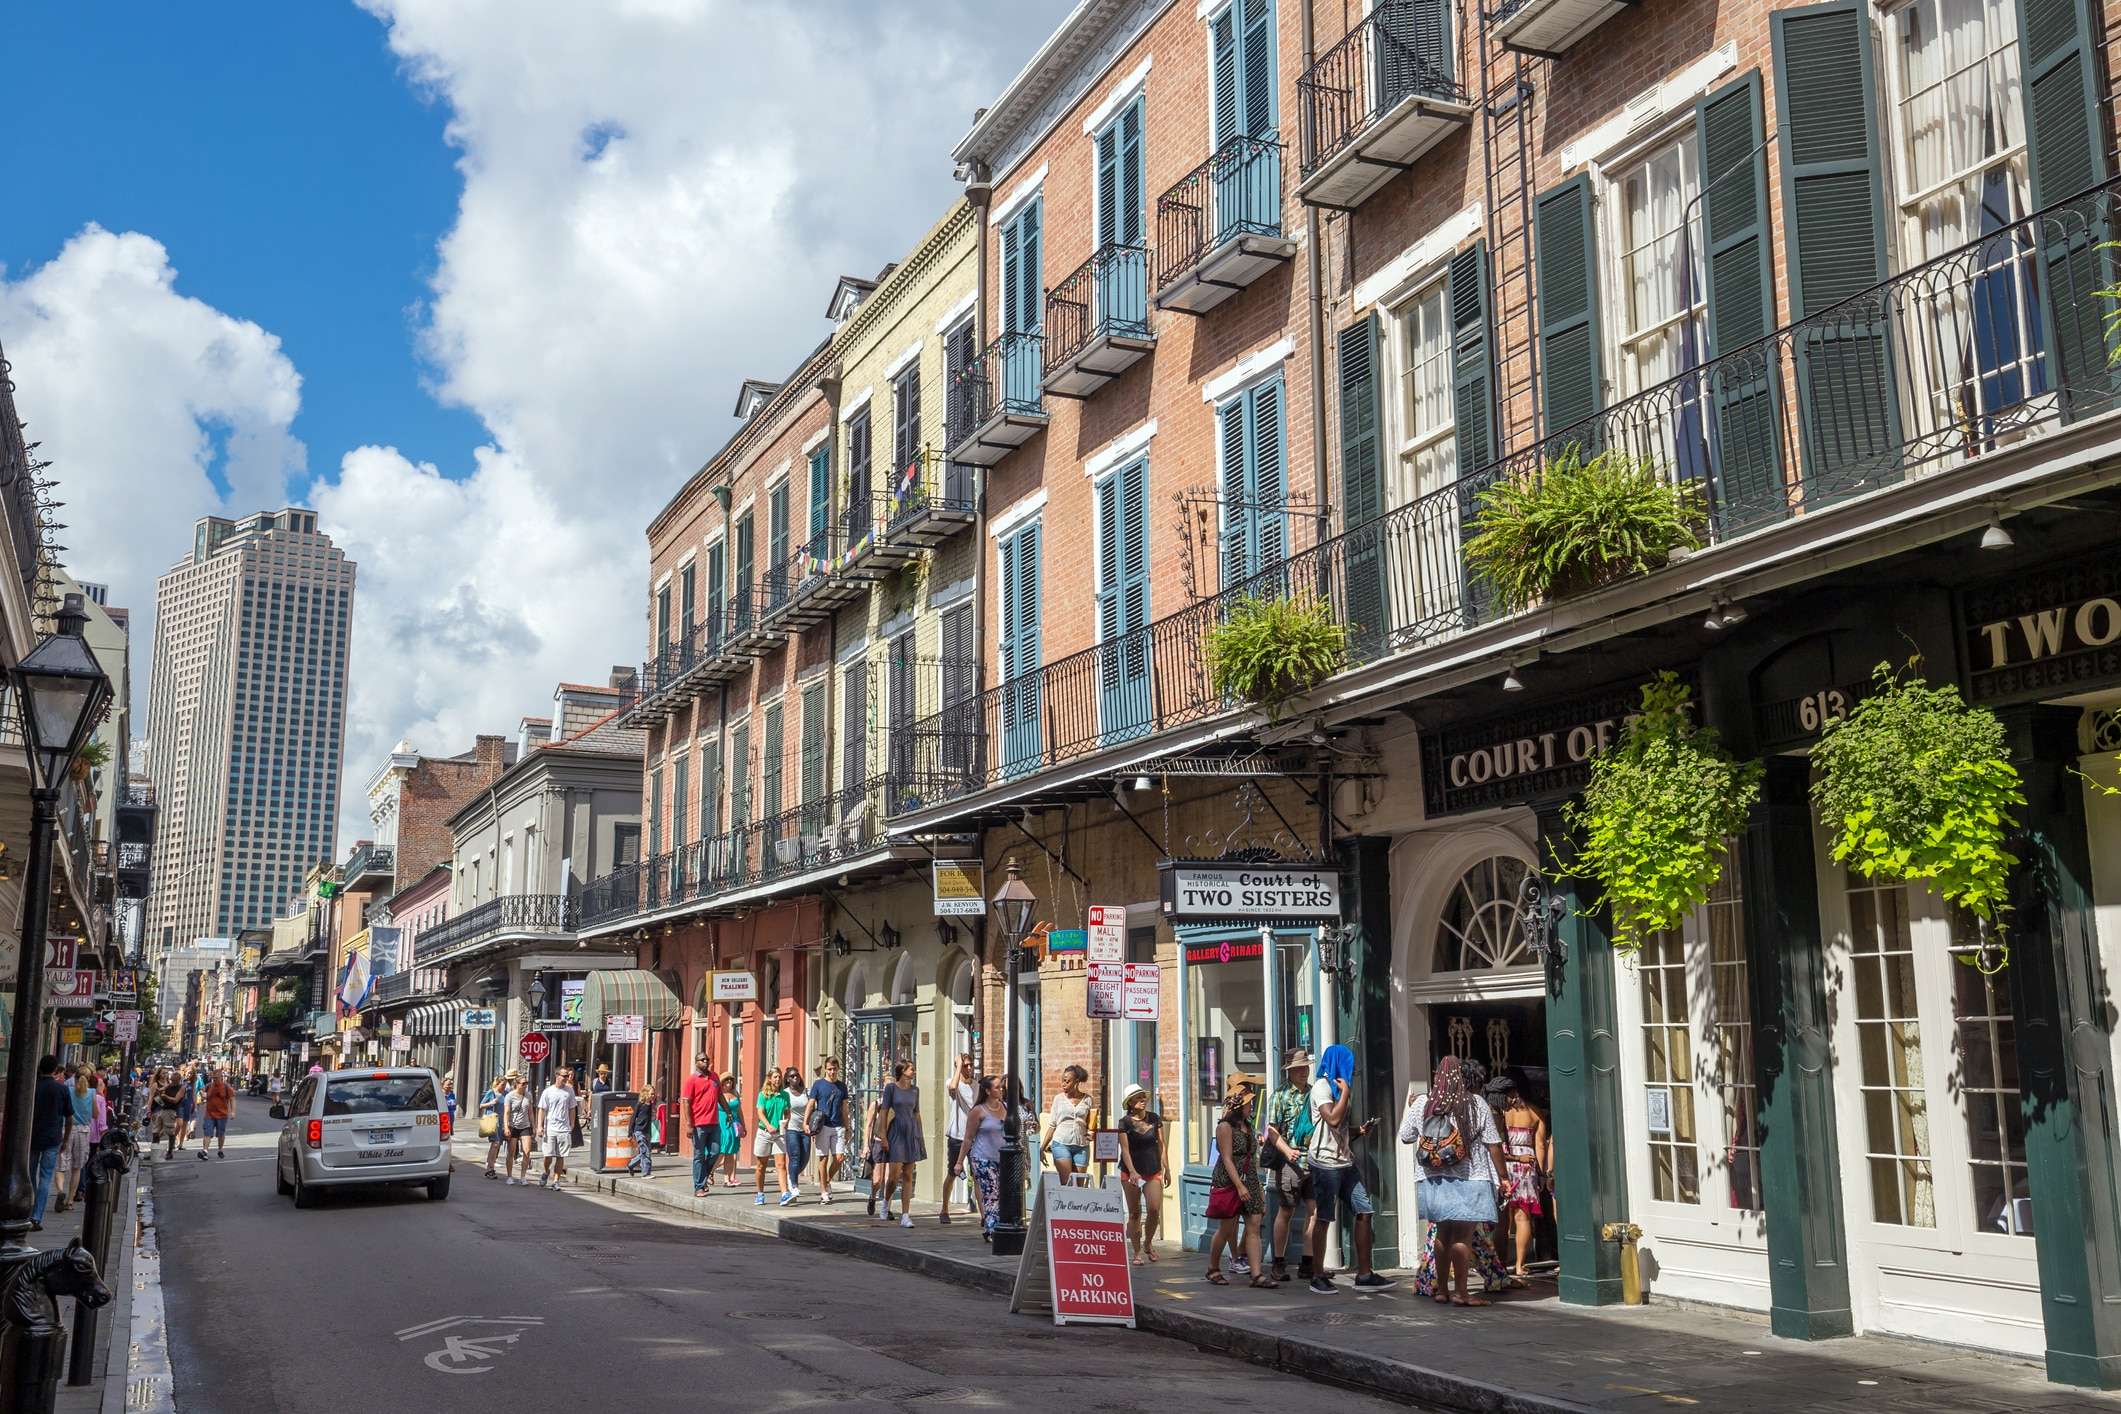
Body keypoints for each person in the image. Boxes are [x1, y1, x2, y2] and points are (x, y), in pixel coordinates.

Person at [1403, 1055, 1509, 1308]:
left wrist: (1416, 1110)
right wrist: (1503, 1176)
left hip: (1433, 1179)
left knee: (1442, 1234)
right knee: (1463, 1235)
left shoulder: (1422, 1104)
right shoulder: (1475, 1103)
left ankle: (1442, 1290)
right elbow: (1493, 1144)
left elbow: (1406, 1136)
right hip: (1471, 1178)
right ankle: (1462, 1293)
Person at [1305, 1043, 1396, 1293]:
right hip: (1324, 1163)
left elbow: (1339, 1128)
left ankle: (1364, 1275)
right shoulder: (1322, 1088)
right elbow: (1332, 1118)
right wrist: (1345, 1094)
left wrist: (1358, 1130)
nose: (1352, 1070)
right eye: (1349, 1065)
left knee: (1364, 1210)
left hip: (1345, 1162)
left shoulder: (1340, 1086)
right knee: (1323, 1218)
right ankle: (1317, 1275)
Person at [1205, 1073, 1273, 1288]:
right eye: (1248, 1103)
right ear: (1237, 1106)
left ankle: (1256, 1274)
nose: (1251, 1106)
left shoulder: (1248, 1126)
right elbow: (1226, 1158)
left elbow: (1251, 1158)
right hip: (1229, 1181)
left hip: (1249, 1178)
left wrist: (1257, 1188)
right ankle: (1213, 1268)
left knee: (1254, 1225)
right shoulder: (1225, 1127)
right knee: (1226, 1228)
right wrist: (1239, 1186)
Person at [1263, 1048, 1315, 1283]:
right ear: (1290, 1071)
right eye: (1299, 1069)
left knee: (1314, 1211)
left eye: (1305, 1067)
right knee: (1286, 1210)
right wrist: (1287, 1151)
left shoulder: (1314, 1094)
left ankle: (1308, 1262)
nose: (1303, 1072)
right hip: (1289, 1163)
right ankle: (1279, 1261)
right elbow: (1272, 1130)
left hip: (1313, 1160)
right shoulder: (1280, 1095)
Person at [1496, 1073, 1548, 1288]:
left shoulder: (1501, 1113)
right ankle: (1519, 1264)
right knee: (1522, 1217)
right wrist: (1543, 1173)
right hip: (1527, 1167)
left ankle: (1499, 1263)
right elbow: (1541, 1145)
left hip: (1505, 1165)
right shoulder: (1535, 1114)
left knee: (1503, 1217)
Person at [1116, 1083, 1167, 1264]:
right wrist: (1132, 1171)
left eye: (1143, 1097)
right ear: (1130, 1102)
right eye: (1138, 1098)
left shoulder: (1154, 1118)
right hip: (1130, 1172)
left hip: (1153, 1170)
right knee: (1134, 1213)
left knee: (1154, 1209)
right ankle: (1137, 1252)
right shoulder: (1125, 1122)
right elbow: (1125, 1150)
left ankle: (1148, 1243)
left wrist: (1165, 1167)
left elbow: (1161, 1144)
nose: (1142, 1100)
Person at [879, 1059, 924, 1228]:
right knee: (893, 1175)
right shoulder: (891, 1088)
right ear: (902, 1071)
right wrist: (883, 1135)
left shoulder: (915, 1090)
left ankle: (905, 1214)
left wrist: (919, 1134)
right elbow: (884, 1111)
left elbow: (917, 1113)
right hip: (896, 1132)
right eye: (911, 1069)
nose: (914, 1072)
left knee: (908, 1174)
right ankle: (885, 1201)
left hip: (911, 1132)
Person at [31, 1056, 72, 1231]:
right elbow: (69, 1117)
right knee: (46, 1177)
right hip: (52, 1138)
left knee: (30, 1174)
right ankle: (36, 1216)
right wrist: (65, 1139)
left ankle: (27, 1209)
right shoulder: (61, 1089)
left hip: (32, 1136)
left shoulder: (32, 1087)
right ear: (56, 1070)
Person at [963, 1075, 1007, 1240]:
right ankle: (992, 1228)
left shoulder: (1006, 1107)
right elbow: (968, 1138)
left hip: (1002, 1158)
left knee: (1001, 1193)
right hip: (982, 1158)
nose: (1001, 1089)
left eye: (1001, 1087)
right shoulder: (978, 1111)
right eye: (997, 1087)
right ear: (987, 1091)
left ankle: (993, 1227)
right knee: (991, 1192)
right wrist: (960, 1162)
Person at [1039, 1064, 1093, 1187]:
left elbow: (1091, 1124)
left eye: (1067, 1081)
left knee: (1079, 1186)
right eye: (1063, 1081)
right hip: (1061, 1143)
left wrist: (1091, 1132)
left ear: (1076, 1082)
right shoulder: (1058, 1099)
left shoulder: (1088, 1100)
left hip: (1082, 1145)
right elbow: (1052, 1125)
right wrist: (1042, 1147)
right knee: (1067, 1183)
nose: (1064, 1084)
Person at [940, 1052, 976, 1225]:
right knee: (952, 1173)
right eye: (966, 1065)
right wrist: (958, 1066)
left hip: (975, 1137)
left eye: (971, 1064)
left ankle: (983, 1214)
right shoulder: (952, 1082)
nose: (969, 1068)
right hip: (957, 1135)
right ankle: (944, 1209)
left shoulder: (977, 1085)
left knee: (976, 1174)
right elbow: (953, 1088)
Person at [807, 1058, 849, 1202]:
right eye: (830, 1069)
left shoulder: (842, 1087)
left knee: (839, 1158)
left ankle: (827, 1181)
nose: (832, 1072)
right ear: (826, 1069)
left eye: (835, 1069)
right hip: (822, 1125)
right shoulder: (818, 1085)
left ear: (838, 1069)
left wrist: (847, 1126)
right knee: (823, 1159)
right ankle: (823, 1190)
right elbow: (811, 1104)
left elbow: (845, 1108)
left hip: (838, 1126)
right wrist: (806, 1124)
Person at [681, 1056, 723, 1198]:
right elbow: (686, 1102)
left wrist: (728, 1112)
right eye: (702, 1060)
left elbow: (720, 1096)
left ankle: (703, 1177)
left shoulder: (714, 1077)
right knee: (699, 1156)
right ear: (696, 1062)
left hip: (714, 1122)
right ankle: (699, 1186)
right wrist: (689, 1125)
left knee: (715, 1152)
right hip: (698, 1124)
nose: (705, 1062)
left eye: (707, 1059)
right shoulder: (691, 1080)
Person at [752, 1072, 790, 1206]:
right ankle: (760, 1193)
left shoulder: (785, 1095)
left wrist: (786, 1121)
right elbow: (760, 1113)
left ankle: (785, 1193)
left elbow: (787, 1112)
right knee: (761, 1165)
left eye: (779, 1077)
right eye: (775, 1077)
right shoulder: (763, 1095)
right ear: (769, 1079)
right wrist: (768, 1126)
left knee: (781, 1164)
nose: (778, 1079)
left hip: (779, 1133)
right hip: (764, 1133)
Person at [537, 1068, 577, 1189]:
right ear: (557, 1076)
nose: (566, 1078)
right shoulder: (548, 1091)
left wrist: (572, 1124)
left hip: (564, 1128)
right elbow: (542, 1109)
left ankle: (556, 1180)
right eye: (564, 1075)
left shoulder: (569, 1091)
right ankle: (546, 1171)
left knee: (561, 1156)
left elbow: (572, 1108)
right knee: (548, 1155)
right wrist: (539, 1126)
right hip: (550, 1128)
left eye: (567, 1076)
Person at [780, 1069, 811, 1202]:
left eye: (797, 1075)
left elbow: (812, 1108)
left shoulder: (806, 1092)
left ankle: (791, 1175)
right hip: (791, 1128)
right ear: (787, 1079)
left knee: (805, 1158)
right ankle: (794, 1185)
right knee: (795, 1156)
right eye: (792, 1076)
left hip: (805, 1130)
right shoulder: (785, 1093)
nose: (795, 1078)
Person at [503, 1069, 536, 1185]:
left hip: (525, 1125)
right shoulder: (509, 1096)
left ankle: (523, 1176)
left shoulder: (528, 1095)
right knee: (511, 1152)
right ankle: (509, 1176)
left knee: (527, 1151)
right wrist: (506, 1127)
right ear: (516, 1084)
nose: (525, 1085)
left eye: (526, 1083)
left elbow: (530, 1112)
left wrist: (534, 1126)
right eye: (523, 1083)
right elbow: (506, 1112)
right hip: (513, 1126)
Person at [715, 1076, 745, 1187]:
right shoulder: (717, 1094)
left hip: (734, 1125)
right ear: (722, 1083)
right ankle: (709, 1172)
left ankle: (727, 1179)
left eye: (731, 1080)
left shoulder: (735, 1094)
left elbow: (739, 1111)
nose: (729, 1082)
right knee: (723, 1150)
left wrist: (744, 1125)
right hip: (721, 1124)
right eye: (726, 1080)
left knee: (731, 1152)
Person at [201, 1066, 235, 1160]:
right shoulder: (209, 1086)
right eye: (213, 1078)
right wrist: (202, 1094)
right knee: (207, 1133)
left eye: (216, 1078)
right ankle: (205, 1151)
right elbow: (202, 1091)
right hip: (209, 1114)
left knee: (221, 1134)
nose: (214, 1080)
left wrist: (233, 1112)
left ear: (221, 1077)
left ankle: (220, 1150)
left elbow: (232, 1099)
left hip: (222, 1115)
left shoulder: (226, 1087)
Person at [480, 1077, 508, 1179]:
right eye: (502, 1085)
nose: (504, 1087)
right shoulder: (491, 1093)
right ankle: (490, 1168)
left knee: (496, 1145)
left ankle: (489, 1165)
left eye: (505, 1085)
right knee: (495, 1144)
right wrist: (491, 1103)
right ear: (497, 1084)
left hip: (501, 1122)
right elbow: (481, 1105)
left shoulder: (506, 1094)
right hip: (492, 1121)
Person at [153, 1069, 184, 1160]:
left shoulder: (181, 1087)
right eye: (171, 1079)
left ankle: (170, 1152)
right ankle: (155, 1151)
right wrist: (158, 1092)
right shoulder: (169, 1085)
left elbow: (176, 1100)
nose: (171, 1081)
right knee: (155, 1131)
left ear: (178, 1080)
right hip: (163, 1109)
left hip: (171, 1110)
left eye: (173, 1080)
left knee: (170, 1132)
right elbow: (159, 1091)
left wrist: (165, 1097)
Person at [627, 1083, 657, 1177]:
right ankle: (646, 1173)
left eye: (653, 1094)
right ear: (646, 1094)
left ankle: (631, 1164)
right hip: (639, 1131)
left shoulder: (651, 1105)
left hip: (647, 1131)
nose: (653, 1096)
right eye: (651, 1094)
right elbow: (633, 1118)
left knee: (646, 1152)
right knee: (645, 1151)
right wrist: (630, 1132)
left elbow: (649, 1117)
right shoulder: (640, 1104)